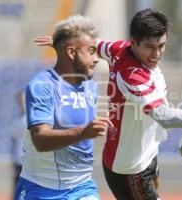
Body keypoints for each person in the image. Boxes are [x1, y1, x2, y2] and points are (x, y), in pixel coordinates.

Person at [35, 9, 182, 200]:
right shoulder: (133, 76)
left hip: (146, 154)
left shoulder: (119, 48)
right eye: (150, 47)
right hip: (129, 169)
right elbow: (164, 117)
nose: (156, 54)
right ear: (134, 41)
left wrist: (67, 42)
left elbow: (97, 45)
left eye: (162, 45)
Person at [14, 15, 112, 200]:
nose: (97, 58)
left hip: (82, 187)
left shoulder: (90, 85)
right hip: (40, 188)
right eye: (91, 51)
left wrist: (64, 45)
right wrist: (83, 132)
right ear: (71, 53)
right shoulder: (42, 85)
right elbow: (40, 140)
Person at [9, 91, 27, 197]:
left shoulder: (34, 119)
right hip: (19, 160)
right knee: (17, 189)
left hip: (31, 160)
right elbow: (13, 142)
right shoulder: (17, 121)